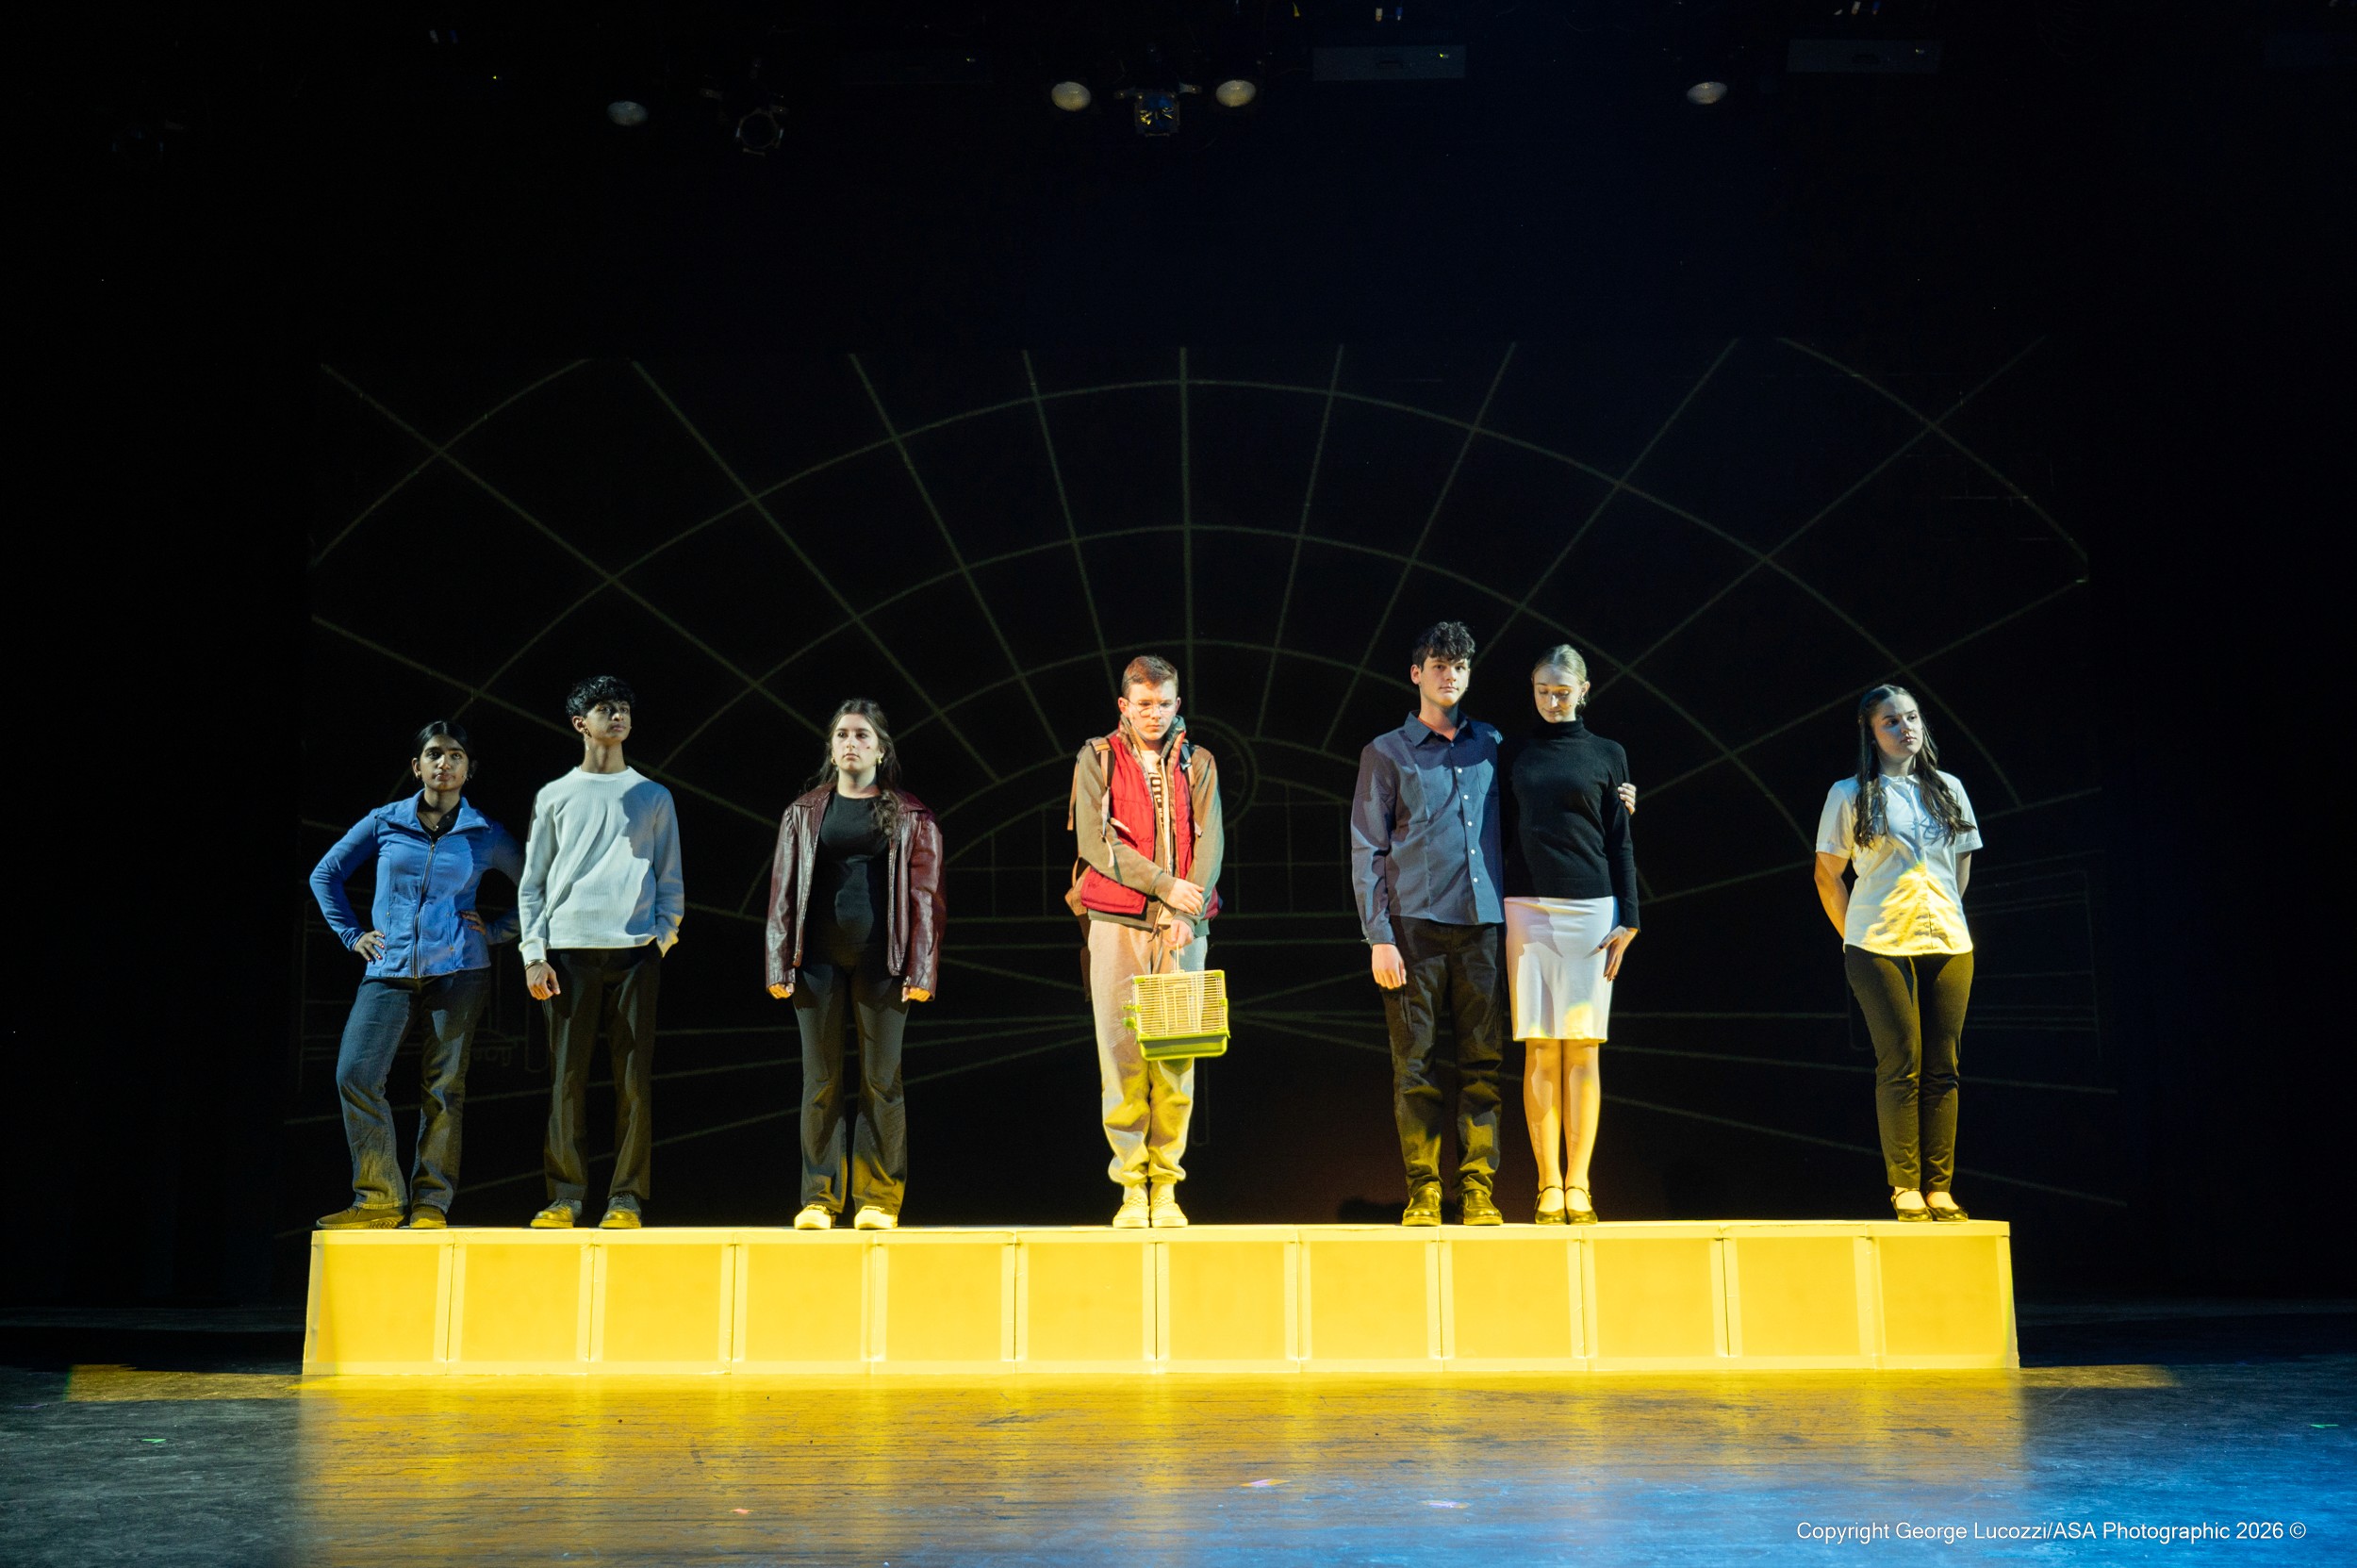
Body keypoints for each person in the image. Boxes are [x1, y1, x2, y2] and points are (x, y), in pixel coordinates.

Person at [308, 721, 523, 1229]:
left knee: (443, 1087)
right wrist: (352, 935)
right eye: (434, 754)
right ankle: (379, 1197)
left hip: (460, 972)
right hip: (388, 968)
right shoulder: (384, 821)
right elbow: (325, 874)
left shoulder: (485, 832)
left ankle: (431, 1202)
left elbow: (537, 887)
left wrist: (497, 932)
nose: (444, 763)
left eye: (455, 755)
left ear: (469, 769)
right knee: (355, 1074)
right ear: (417, 766)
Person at [1350, 620, 1511, 1227]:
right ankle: (1423, 1189)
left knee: (1483, 1062)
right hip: (1412, 928)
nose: (1451, 675)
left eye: (1460, 666)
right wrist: (1379, 937)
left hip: (1481, 924)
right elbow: (1366, 847)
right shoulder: (1386, 751)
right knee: (1414, 1065)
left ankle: (1477, 1188)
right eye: (1440, 665)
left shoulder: (1490, 742)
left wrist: (1613, 799)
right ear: (1417, 673)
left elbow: (1546, 798)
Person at [765, 701, 944, 1231]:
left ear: (880, 749)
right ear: (831, 746)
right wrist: (778, 962)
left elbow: (927, 897)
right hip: (815, 961)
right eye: (842, 734)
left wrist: (922, 970)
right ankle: (819, 1198)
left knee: (881, 1081)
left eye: (862, 735)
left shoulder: (911, 815)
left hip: (883, 961)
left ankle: (877, 1200)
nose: (851, 743)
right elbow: (782, 893)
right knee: (820, 1080)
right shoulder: (803, 812)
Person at [1812, 684, 1983, 1223]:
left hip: (1949, 939)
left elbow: (1961, 864)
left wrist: (1946, 909)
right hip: (1878, 942)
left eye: (1911, 718)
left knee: (1944, 1066)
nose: (1905, 728)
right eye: (1891, 721)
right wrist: (1853, 934)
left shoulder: (1950, 788)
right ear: (1871, 733)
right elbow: (1827, 874)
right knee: (1902, 1059)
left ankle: (1940, 1187)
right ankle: (1905, 1185)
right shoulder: (1850, 793)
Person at [519, 676, 684, 1230]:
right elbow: (533, 882)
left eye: (624, 708)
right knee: (567, 1080)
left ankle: (626, 1198)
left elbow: (670, 876)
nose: (617, 715)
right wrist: (533, 953)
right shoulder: (555, 794)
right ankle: (565, 1196)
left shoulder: (653, 795)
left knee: (633, 1082)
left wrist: (662, 936)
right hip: (567, 952)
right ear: (579, 723)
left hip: (635, 952)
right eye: (604, 708)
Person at [1066, 654, 1225, 1230]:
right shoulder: (1098, 757)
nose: (1154, 713)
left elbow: (1211, 844)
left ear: (1177, 704)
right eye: (1143, 704)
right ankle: (1133, 1186)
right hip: (1118, 923)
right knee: (1122, 1055)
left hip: (1183, 928)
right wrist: (1164, 885)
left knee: (1177, 1056)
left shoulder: (1198, 761)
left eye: (1163, 703)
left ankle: (1168, 1187)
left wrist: (1188, 908)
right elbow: (1094, 841)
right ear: (1124, 706)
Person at [1504, 646, 1640, 1225]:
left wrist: (1629, 917)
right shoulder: (1511, 750)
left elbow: (1619, 840)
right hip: (1526, 906)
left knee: (1582, 1046)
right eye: (1543, 691)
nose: (1552, 701)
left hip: (1592, 909)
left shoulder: (1609, 753)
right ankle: (1547, 1185)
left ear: (1584, 690)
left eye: (1563, 692)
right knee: (1539, 1045)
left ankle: (1580, 1184)